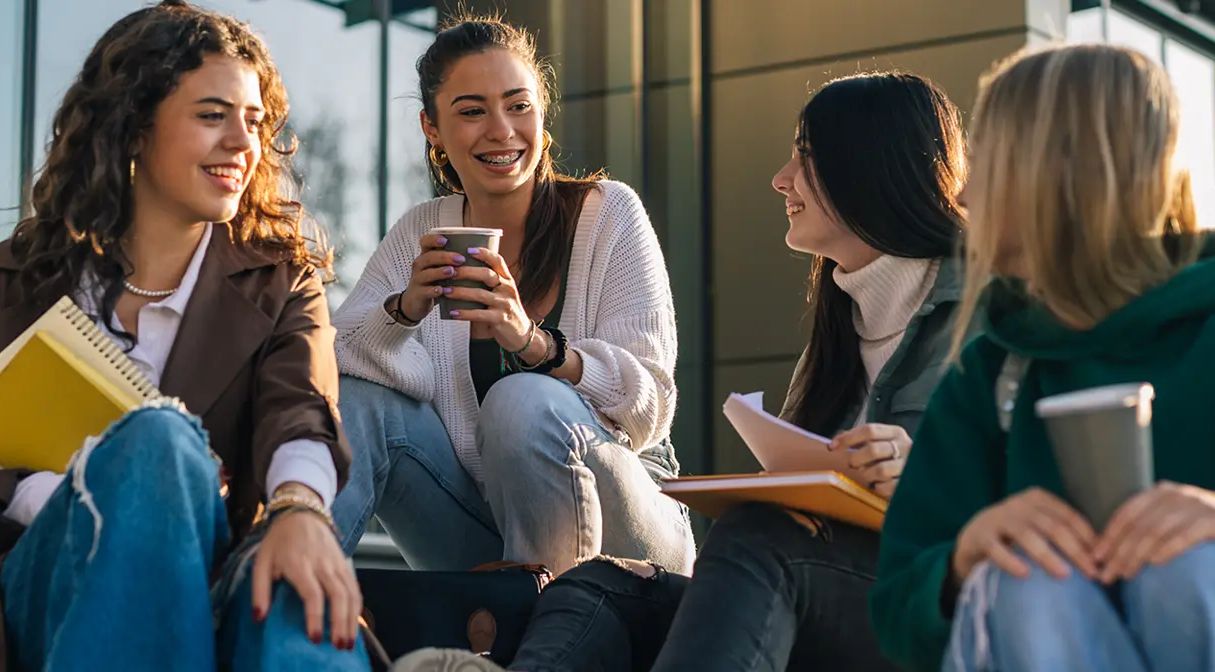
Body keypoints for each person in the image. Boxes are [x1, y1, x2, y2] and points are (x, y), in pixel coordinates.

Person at [869, 44, 1215, 671]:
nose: (965, 193)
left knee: (1197, 566)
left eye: (988, 160)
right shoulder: (987, 374)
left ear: (1068, 175)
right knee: (1025, 578)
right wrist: (962, 561)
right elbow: (896, 615)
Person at [391, 71, 969, 672]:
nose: (781, 179)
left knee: (754, 535)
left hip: (917, 605)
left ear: (866, 165)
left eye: (805, 157)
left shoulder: (987, 314)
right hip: (807, 593)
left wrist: (920, 479)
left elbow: (1041, 499)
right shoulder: (839, 330)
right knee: (590, 587)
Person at [0, 3, 365, 670]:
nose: (244, 142)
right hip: (38, 596)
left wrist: (299, 509)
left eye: (255, 121)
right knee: (156, 441)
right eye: (213, 115)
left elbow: (301, 413)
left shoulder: (280, 282)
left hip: (210, 581)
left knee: (292, 599)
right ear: (133, 126)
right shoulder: (9, 283)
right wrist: (90, 492)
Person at [330, 17, 692, 576]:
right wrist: (402, 311)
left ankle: (551, 640)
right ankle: (286, 601)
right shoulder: (419, 232)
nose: (501, 130)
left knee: (520, 400)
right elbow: (338, 365)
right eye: (472, 111)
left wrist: (535, 346)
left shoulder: (609, 214)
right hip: (486, 536)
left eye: (518, 105)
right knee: (361, 403)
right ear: (433, 129)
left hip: (631, 525)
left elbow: (651, 404)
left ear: (542, 116)